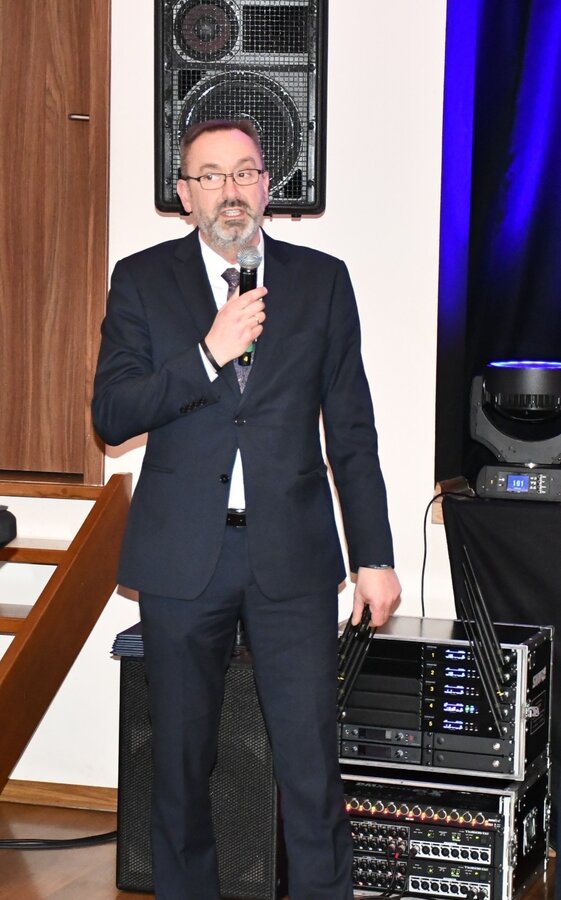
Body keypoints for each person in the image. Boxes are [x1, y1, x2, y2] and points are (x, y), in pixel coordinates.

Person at [92, 118, 401, 900]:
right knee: (179, 765)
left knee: (310, 764)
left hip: (292, 558)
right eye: (210, 175)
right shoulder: (141, 280)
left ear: (266, 185)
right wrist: (207, 354)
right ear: (183, 194)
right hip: (181, 559)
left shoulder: (322, 281)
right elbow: (112, 417)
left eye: (244, 172)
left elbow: (351, 431)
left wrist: (374, 556)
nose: (229, 190)